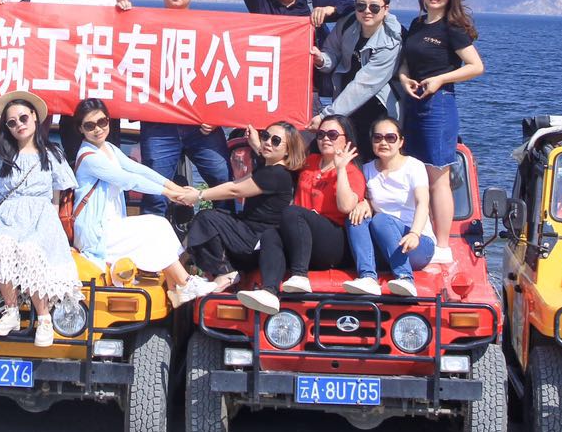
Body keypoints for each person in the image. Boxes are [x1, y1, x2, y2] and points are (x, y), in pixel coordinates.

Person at [69, 99, 215, 306]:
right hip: (95, 233)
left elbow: (139, 170)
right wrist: (168, 193)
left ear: (108, 120)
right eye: (90, 126)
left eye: (102, 122)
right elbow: (128, 180)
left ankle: (176, 288)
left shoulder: (108, 148)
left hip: (112, 226)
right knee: (154, 227)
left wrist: (174, 187)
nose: (98, 129)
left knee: (160, 225)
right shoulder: (88, 157)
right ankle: (184, 283)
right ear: (80, 129)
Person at [0, 91, 81, 347]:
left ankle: (44, 319)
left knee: (30, 249)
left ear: (34, 117)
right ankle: (11, 311)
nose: (19, 125)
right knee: (1, 243)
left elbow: (57, 198)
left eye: (23, 118)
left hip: (42, 216)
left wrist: (53, 228)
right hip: (7, 215)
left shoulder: (52, 153)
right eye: (12, 122)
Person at [397, 0, 482, 267]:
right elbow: (406, 62)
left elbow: (475, 66)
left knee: (437, 176)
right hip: (413, 104)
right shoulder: (417, 24)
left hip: (439, 106)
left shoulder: (452, 28)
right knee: (416, 173)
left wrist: (441, 79)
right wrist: (404, 78)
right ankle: (424, 235)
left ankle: (443, 246)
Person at [182, 120, 306, 316]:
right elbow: (259, 158)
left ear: (288, 151)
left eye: (275, 141)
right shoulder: (270, 167)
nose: (268, 142)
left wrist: (198, 195)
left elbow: (235, 189)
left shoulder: (276, 174)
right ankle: (217, 271)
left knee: (206, 219)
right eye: (266, 136)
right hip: (249, 230)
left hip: (258, 239)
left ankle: (226, 272)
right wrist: (255, 142)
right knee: (213, 218)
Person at [137, 0, 233, 217]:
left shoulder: (209, 28)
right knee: (155, 194)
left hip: (201, 126)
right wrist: (121, 11)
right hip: (159, 126)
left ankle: (222, 236)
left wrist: (217, 116)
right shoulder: (145, 25)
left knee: (223, 181)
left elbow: (224, 74)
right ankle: (152, 242)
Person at [344, 116, 434, 297]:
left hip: (416, 243)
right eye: (377, 138)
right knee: (355, 217)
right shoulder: (367, 169)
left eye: (390, 138)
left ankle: (405, 278)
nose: (383, 142)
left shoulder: (414, 166)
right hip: (383, 245)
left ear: (401, 141)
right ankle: (368, 277)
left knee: (382, 220)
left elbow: (423, 203)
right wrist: (365, 203)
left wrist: (414, 233)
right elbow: (364, 198)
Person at [278, 114, 366, 293]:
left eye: (332, 135)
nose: (326, 139)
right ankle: (268, 290)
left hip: (333, 240)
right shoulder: (309, 161)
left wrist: (340, 169)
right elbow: (279, 160)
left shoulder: (352, 171)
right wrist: (257, 146)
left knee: (293, 212)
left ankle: (300, 275)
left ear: (346, 140)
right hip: (303, 235)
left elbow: (346, 207)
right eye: (321, 134)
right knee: (270, 234)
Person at [319, 0, 404, 159]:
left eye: (374, 7)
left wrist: (326, 116)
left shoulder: (392, 40)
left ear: (386, 9)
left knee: (372, 161)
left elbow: (365, 85)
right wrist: (321, 60)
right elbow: (331, 51)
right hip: (346, 107)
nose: (367, 11)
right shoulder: (348, 23)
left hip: (378, 110)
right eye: (361, 6)